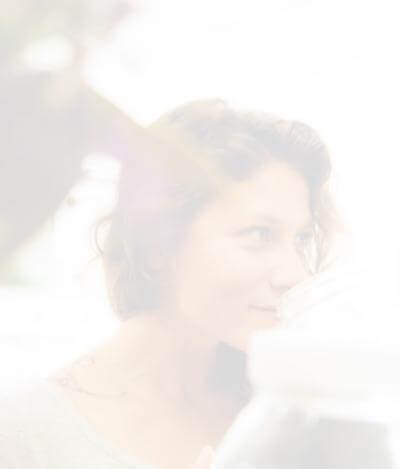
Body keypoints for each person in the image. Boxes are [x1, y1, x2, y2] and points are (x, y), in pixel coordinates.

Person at [0, 99, 336, 469]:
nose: (296, 275)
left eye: (302, 239)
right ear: (157, 244)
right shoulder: (23, 432)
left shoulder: (294, 420)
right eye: (259, 234)